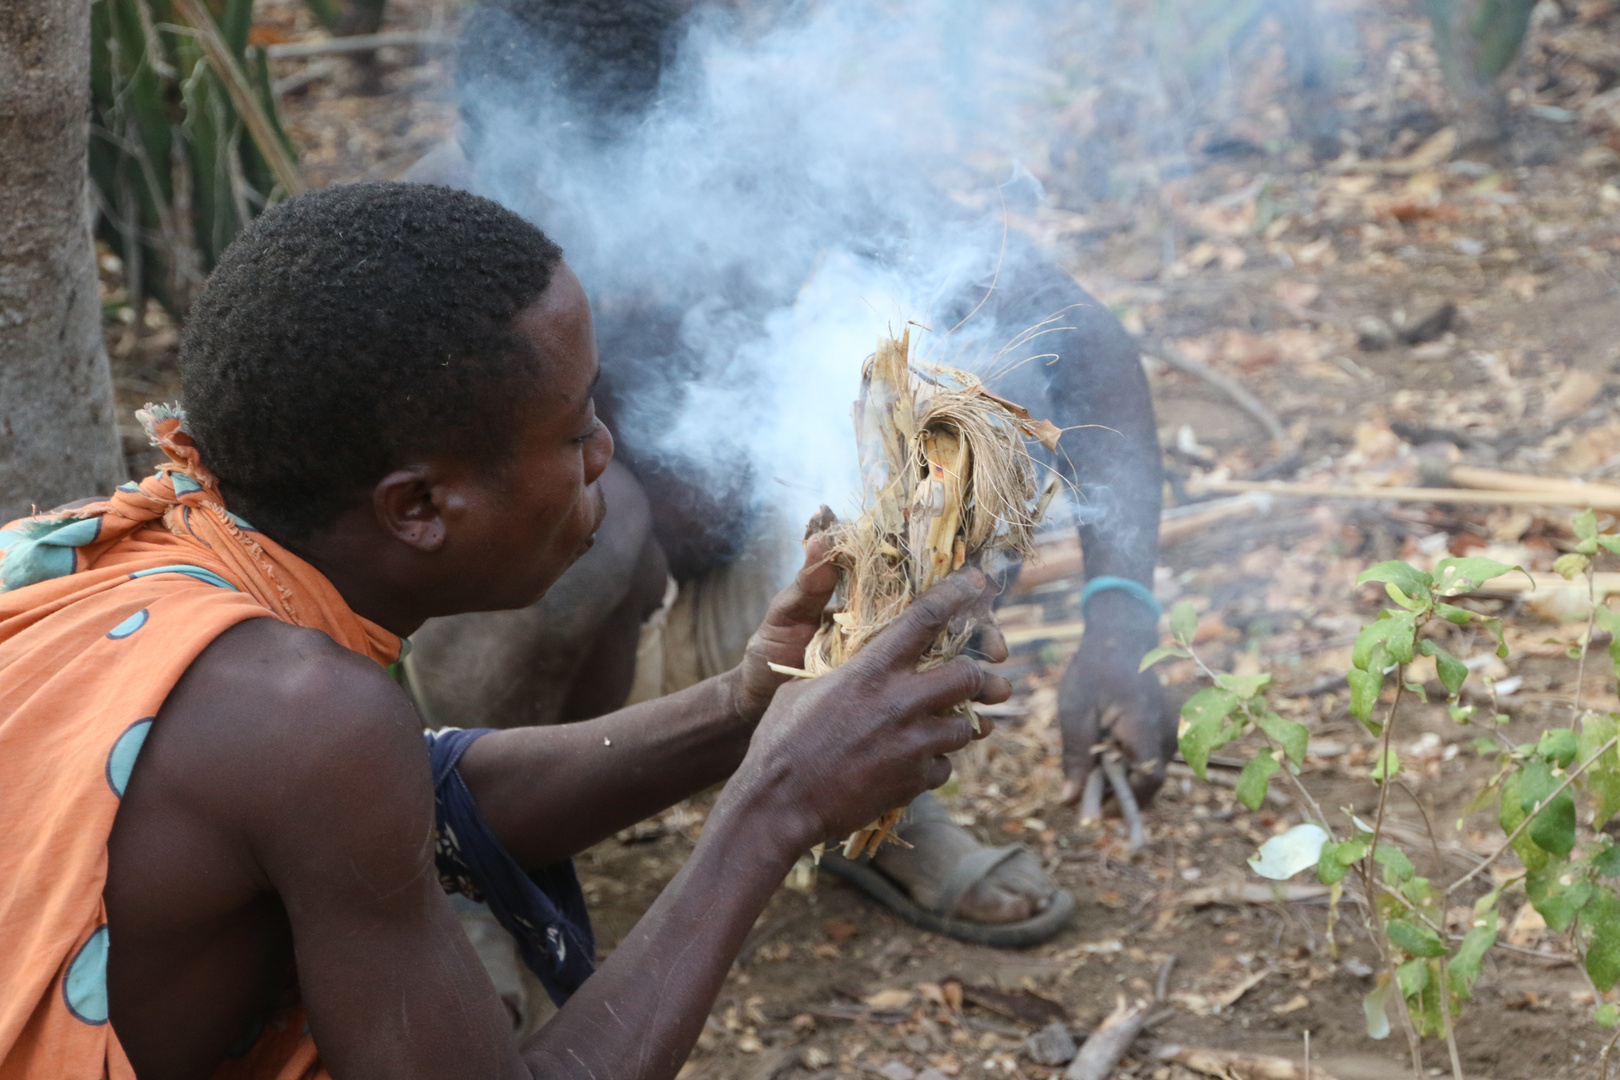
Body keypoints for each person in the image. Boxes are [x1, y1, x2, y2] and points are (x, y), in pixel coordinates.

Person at [0, 181, 1012, 1079]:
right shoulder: (307, 722)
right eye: (576, 432)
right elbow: (354, 783)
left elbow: (421, 791)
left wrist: (747, 707)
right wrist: (774, 809)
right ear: (422, 508)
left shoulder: (139, 559)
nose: (609, 451)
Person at [399, 0, 1172, 963]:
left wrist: (1121, 616)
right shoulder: (429, 239)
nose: (580, 196)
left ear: (685, 115)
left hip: (753, 615)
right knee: (586, 507)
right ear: (484, 126)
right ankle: (462, 856)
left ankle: (863, 807)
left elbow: (1074, 337)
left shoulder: (766, 158)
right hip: (555, 641)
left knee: (973, 412)